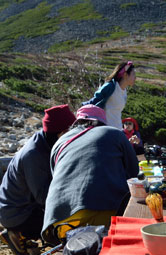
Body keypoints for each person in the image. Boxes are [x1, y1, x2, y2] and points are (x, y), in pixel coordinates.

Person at [42, 104, 139, 244]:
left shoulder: (60, 142)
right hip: (103, 212)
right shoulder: (114, 133)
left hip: (58, 221)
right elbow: (133, 173)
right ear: (101, 122)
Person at [0, 104, 76, 255]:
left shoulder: (47, 142)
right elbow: (44, 197)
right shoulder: (34, 155)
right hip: (16, 212)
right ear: (62, 133)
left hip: (24, 205)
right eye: (71, 133)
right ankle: (17, 234)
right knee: (62, 225)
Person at [82, 61, 136, 129]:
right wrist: (82, 108)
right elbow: (95, 100)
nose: (135, 77)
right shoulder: (110, 87)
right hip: (105, 129)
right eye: (133, 74)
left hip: (118, 129)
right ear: (125, 75)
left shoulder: (124, 91)